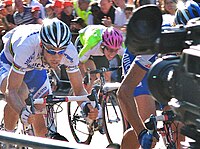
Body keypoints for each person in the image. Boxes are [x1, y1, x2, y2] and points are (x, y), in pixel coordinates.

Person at [0, 18, 98, 138]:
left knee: (42, 125)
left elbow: (78, 89)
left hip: (36, 67)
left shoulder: (70, 51)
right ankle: (7, 139)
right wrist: (22, 111)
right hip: (9, 62)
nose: (56, 57)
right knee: (21, 93)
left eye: (61, 51)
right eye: (51, 51)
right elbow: (11, 91)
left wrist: (86, 107)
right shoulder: (26, 47)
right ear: (42, 45)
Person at [117, 5, 161, 149]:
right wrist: (141, 132)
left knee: (177, 124)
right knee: (147, 123)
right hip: (139, 53)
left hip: (161, 67)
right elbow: (124, 92)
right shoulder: (154, 45)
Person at [77, 25, 125, 93]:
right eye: (111, 50)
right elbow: (79, 63)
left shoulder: (120, 45)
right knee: (92, 77)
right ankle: (84, 100)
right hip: (84, 43)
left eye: (116, 50)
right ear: (103, 45)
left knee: (107, 76)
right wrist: (84, 77)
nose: (113, 54)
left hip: (100, 52)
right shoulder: (91, 45)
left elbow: (127, 60)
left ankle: (103, 100)